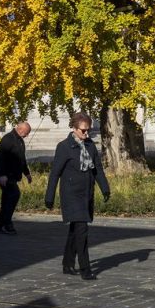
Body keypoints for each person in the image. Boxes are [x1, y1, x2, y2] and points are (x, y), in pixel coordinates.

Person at [45, 112, 110, 280]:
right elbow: (55, 173)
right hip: (71, 195)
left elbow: (97, 169)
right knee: (82, 231)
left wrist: (105, 188)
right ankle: (85, 269)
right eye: (83, 130)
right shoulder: (64, 147)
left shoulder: (90, 146)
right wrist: (49, 196)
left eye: (88, 130)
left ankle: (67, 263)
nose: (86, 134)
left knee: (75, 230)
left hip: (86, 194)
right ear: (74, 129)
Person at [0, 121, 32, 234]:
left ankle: (0, 224)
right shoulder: (7, 139)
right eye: (26, 133)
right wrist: (2, 175)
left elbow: (22, 159)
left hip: (13, 176)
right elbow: (1, 158)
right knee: (14, 194)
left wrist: (27, 173)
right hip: (5, 176)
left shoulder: (20, 141)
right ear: (20, 130)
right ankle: (7, 223)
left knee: (6, 199)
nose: (27, 135)